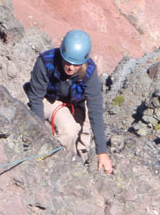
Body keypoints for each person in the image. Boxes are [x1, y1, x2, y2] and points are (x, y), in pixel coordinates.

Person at [26, 29, 113, 174]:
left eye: (76, 64)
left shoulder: (89, 72)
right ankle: (56, 165)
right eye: (68, 62)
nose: (71, 67)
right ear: (61, 53)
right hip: (48, 99)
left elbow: (95, 109)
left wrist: (102, 153)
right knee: (70, 132)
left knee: (83, 142)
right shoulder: (46, 61)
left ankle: (79, 167)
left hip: (76, 103)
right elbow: (36, 97)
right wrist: (39, 134)